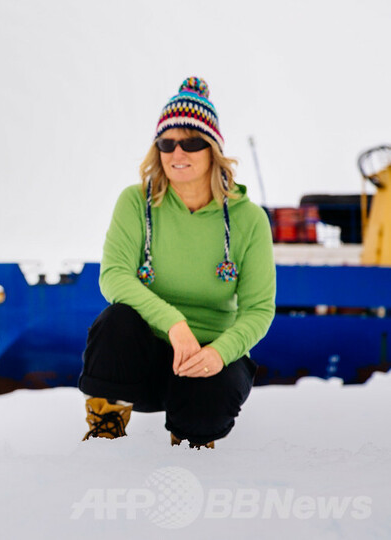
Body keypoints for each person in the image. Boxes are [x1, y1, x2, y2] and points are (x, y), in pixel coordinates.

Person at [78, 77, 276, 449]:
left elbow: (259, 309)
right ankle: (105, 436)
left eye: (191, 142)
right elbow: (114, 276)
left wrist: (219, 353)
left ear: (213, 149)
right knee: (115, 321)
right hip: (145, 359)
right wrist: (174, 324)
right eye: (167, 143)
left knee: (207, 405)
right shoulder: (135, 202)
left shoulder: (249, 219)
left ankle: (192, 449)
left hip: (208, 357)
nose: (177, 152)